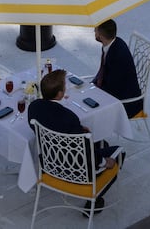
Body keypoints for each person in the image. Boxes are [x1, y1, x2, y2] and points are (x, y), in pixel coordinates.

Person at [28, 69, 122, 216]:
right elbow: (85, 151)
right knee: (119, 153)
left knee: (101, 143)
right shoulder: (69, 117)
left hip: (49, 164)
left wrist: (79, 131)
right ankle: (94, 200)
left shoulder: (33, 107)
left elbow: (44, 127)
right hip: (75, 171)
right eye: (64, 87)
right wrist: (104, 162)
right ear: (59, 94)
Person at [92, 19, 143, 119]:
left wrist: (93, 91)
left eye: (95, 31)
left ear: (101, 37)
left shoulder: (117, 57)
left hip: (126, 104)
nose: (94, 32)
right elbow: (104, 71)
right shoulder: (113, 42)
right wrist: (92, 84)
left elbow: (113, 88)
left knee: (89, 110)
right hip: (115, 90)